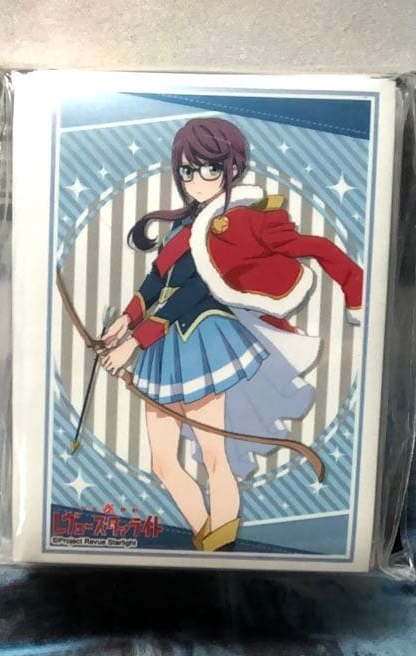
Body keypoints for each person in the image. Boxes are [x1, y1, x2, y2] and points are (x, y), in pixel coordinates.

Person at [99, 118, 362, 552]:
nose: (197, 180)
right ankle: (209, 539)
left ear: (232, 168)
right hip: (161, 345)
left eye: (209, 168)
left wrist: (135, 340)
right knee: (163, 462)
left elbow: (196, 290)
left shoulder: (232, 225)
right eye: (188, 170)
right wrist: (126, 320)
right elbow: (157, 280)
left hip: (203, 339)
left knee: (213, 454)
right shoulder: (183, 225)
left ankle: (218, 542)